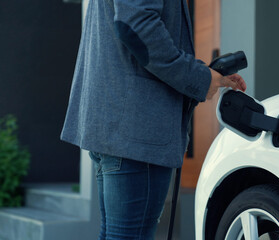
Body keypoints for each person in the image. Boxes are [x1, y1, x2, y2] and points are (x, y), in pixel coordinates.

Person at [60, 0, 246, 239]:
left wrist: (207, 75)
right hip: (135, 131)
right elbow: (136, 26)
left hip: (117, 125)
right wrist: (199, 78)